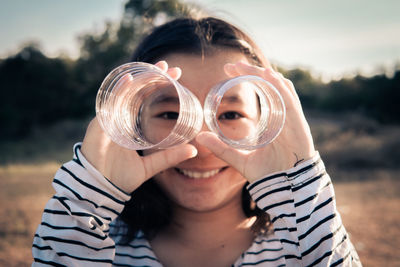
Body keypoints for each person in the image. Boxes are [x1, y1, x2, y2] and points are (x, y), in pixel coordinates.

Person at [32, 13, 362, 267]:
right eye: (171, 115)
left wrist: (298, 184)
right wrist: (90, 194)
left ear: (265, 122)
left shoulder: (305, 247)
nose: (201, 144)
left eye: (230, 115)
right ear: (134, 123)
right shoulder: (93, 243)